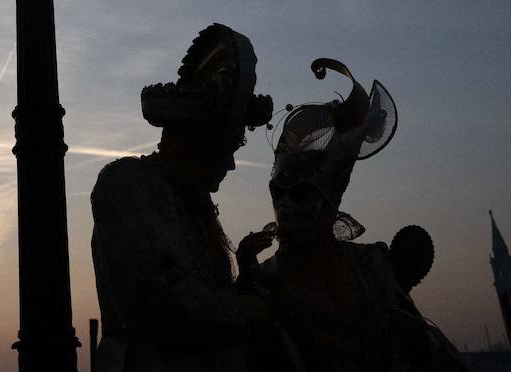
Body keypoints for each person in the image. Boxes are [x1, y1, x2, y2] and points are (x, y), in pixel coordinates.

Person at [236, 58, 466, 372]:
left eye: (301, 193)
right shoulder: (264, 279)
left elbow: (429, 356)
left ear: (329, 201)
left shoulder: (370, 268)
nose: (286, 205)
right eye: (279, 193)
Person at [90, 23, 275, 372]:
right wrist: (247, 310)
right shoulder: (126, 184)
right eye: (229, 148)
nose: (231, 165)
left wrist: (244, 283)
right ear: (202, 140)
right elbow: (160, 304)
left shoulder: (191, 205)